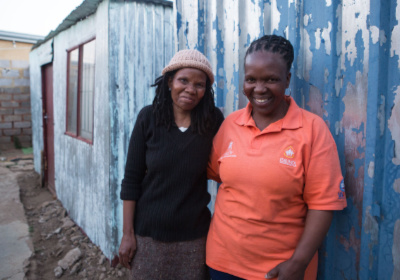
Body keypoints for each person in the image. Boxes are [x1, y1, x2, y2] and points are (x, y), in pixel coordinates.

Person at [206, 35, 347, 280]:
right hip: (222, 263)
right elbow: (215, 174)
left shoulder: (312, 130)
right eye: (251, 79)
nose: (259, 89)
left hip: (281, 269)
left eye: (271, 79)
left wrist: (298, 262)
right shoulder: (231, 124)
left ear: (287, 79)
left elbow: (323, 204)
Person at [118, 49, 224, 280]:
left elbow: (228, 171)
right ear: (169, 82)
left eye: (199, 84)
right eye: (183, 80)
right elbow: (131, 180)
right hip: (148, 236)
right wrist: (128, 234)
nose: (190, 89)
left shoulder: (212, 121)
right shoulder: (148, 118)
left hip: (194, 237)